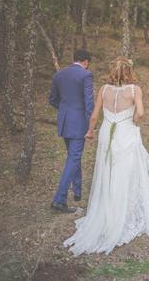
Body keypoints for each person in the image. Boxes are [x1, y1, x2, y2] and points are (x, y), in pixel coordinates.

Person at [64, 56, 149, 256]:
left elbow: (94, 115)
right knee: (125, 173)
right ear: (129, 71)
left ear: (113, 71)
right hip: (126, 134)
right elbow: (141, 113)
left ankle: (107, 210)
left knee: (107, 171)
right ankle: (122, 213)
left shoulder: (104, 90)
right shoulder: (135, 90)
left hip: (107, 132)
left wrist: (90, 131)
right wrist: (133, 121)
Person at [49, 49, 94, 213]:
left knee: (73, 157)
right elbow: (89, 103)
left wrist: (65, 111)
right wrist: (91, 126)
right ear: (86, 62)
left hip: (65, 122)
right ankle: (59, 200)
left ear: (74, 59)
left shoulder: (59, 75)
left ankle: (77, 191)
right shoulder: (86, 75)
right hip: (79, 123)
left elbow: (52, 100)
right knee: (74, 157)